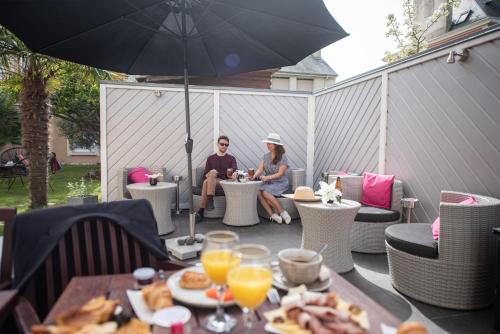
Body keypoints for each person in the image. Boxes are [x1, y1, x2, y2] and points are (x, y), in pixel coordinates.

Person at [251, 133, 291, 224]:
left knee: (265, 192)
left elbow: (280, 174)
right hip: (268, 182)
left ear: (276, 145)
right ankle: (272, 215)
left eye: (269, 144)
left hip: (280, 182)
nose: (267, 145)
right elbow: (260, 169)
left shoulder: (283, 157)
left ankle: (282, 212)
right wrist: (253, 177)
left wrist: (267, 177)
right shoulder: (265, 156)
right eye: (267, 143)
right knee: (258, 191)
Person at [196, 135, 237, 221]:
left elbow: (235, 170)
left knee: (207, 181)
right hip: (213, 180)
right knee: (208, 180)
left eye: (226, 145)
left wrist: (235, 174)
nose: (224, 146)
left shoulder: (231, 158)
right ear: (218, 144)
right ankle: (208, 202)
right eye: (222, 144)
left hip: (225, 181)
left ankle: (201, 210)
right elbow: (205, 175)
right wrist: (212, 173)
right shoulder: (211, 158)